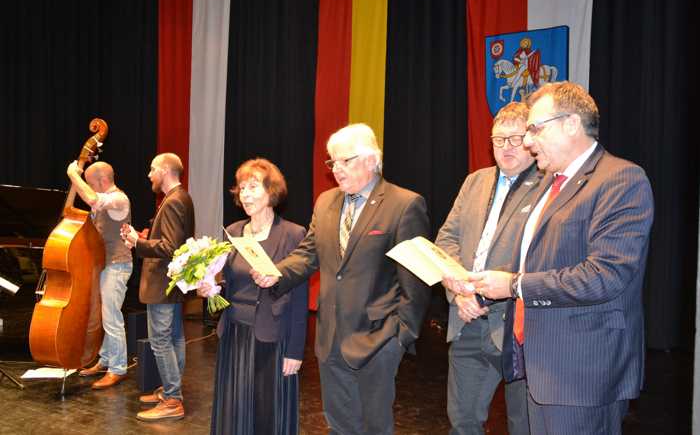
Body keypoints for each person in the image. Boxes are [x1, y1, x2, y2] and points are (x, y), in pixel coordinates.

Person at [445, 82, 654, 434]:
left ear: (572, 124)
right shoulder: (548, 184)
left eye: (535, 129)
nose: (527, 142)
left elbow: (606, 275)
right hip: (536, 363)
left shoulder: (622, 180)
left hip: (580, 372)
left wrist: (513, 284)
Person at [253, 123, 431, 435]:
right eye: (333, 162)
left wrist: (401, 335)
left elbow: (415, 278)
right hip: (330, 336)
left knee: (375, 426)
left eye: (345, 161)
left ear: (371, 160)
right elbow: (309, 253)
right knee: (340, 426)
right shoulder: (326, 202)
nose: (337, 169)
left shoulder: (404, 204)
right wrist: (276, 272)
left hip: (378, 337)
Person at [435, 102, 539, 435]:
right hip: (466, 319)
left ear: (531, 140)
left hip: (518, 327)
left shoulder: (549, 185)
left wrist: (491, 293)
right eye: (498, 140)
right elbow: (446, 239)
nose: (505, 147)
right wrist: (458, 292)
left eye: (514, 139)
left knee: (524, 426)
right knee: (462, 422)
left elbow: (540, 256)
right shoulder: (475, 182)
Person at [200, 158, 307, 434]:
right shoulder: (233, 232)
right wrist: (210, 289)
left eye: (253, 186)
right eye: (242, 187)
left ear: (271, 191)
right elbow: (228, 284)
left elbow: (298, 299)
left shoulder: (292, 234)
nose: (245, 193)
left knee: (266, 414)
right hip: (234, 336)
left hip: (272, 339)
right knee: (233, 411)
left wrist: (295, 351)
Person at [121, 153, 195, 422]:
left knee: (161, 341)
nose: (149, 175)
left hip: (162, 284)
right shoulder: (179, 197)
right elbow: (167, 240)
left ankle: (173, 399)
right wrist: (144, 237)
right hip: (170, 284)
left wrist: (137, 243)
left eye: (152, 169)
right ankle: (171, 389)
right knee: (174, 338)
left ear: (165, 170)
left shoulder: (174, 201)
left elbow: (170, 247)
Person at [66, 161, 133, 390]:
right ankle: (105, 360)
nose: (90, 189)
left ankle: (118, 369)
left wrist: (73, 175)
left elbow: (93, 199)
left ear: (103, 181)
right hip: (106, 265)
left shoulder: (119, 199)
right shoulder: (106, 200)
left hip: (118, 265)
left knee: (112, 318)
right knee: (106, 317)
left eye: (91, 183)